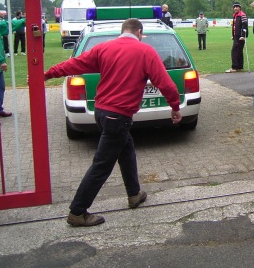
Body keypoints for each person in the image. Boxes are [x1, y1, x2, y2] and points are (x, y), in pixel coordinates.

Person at [44, 18, 183, 227]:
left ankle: (134, 194)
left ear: (122, 31)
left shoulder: (104, 48)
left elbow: (74, 64)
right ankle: (77, 211)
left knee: (126, 151)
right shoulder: (146, 51)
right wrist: (174, 107)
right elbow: (165, 83)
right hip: (117, 116)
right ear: (139, 32)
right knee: (102, 165)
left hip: (101, 113)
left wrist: (47, 74)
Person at [226, 2, 248, 73]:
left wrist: (243, 36)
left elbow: (245, 26)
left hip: (240, 37)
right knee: (239, 51)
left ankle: (234, 67)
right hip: (236, 36)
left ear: (240, 8)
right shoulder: (235, 15)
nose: (235, 8)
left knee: (234, 51)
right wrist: (233, 35)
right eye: (234, 7)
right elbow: (235, 26)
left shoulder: (242, 15)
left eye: (237, 7)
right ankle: (239, 67)